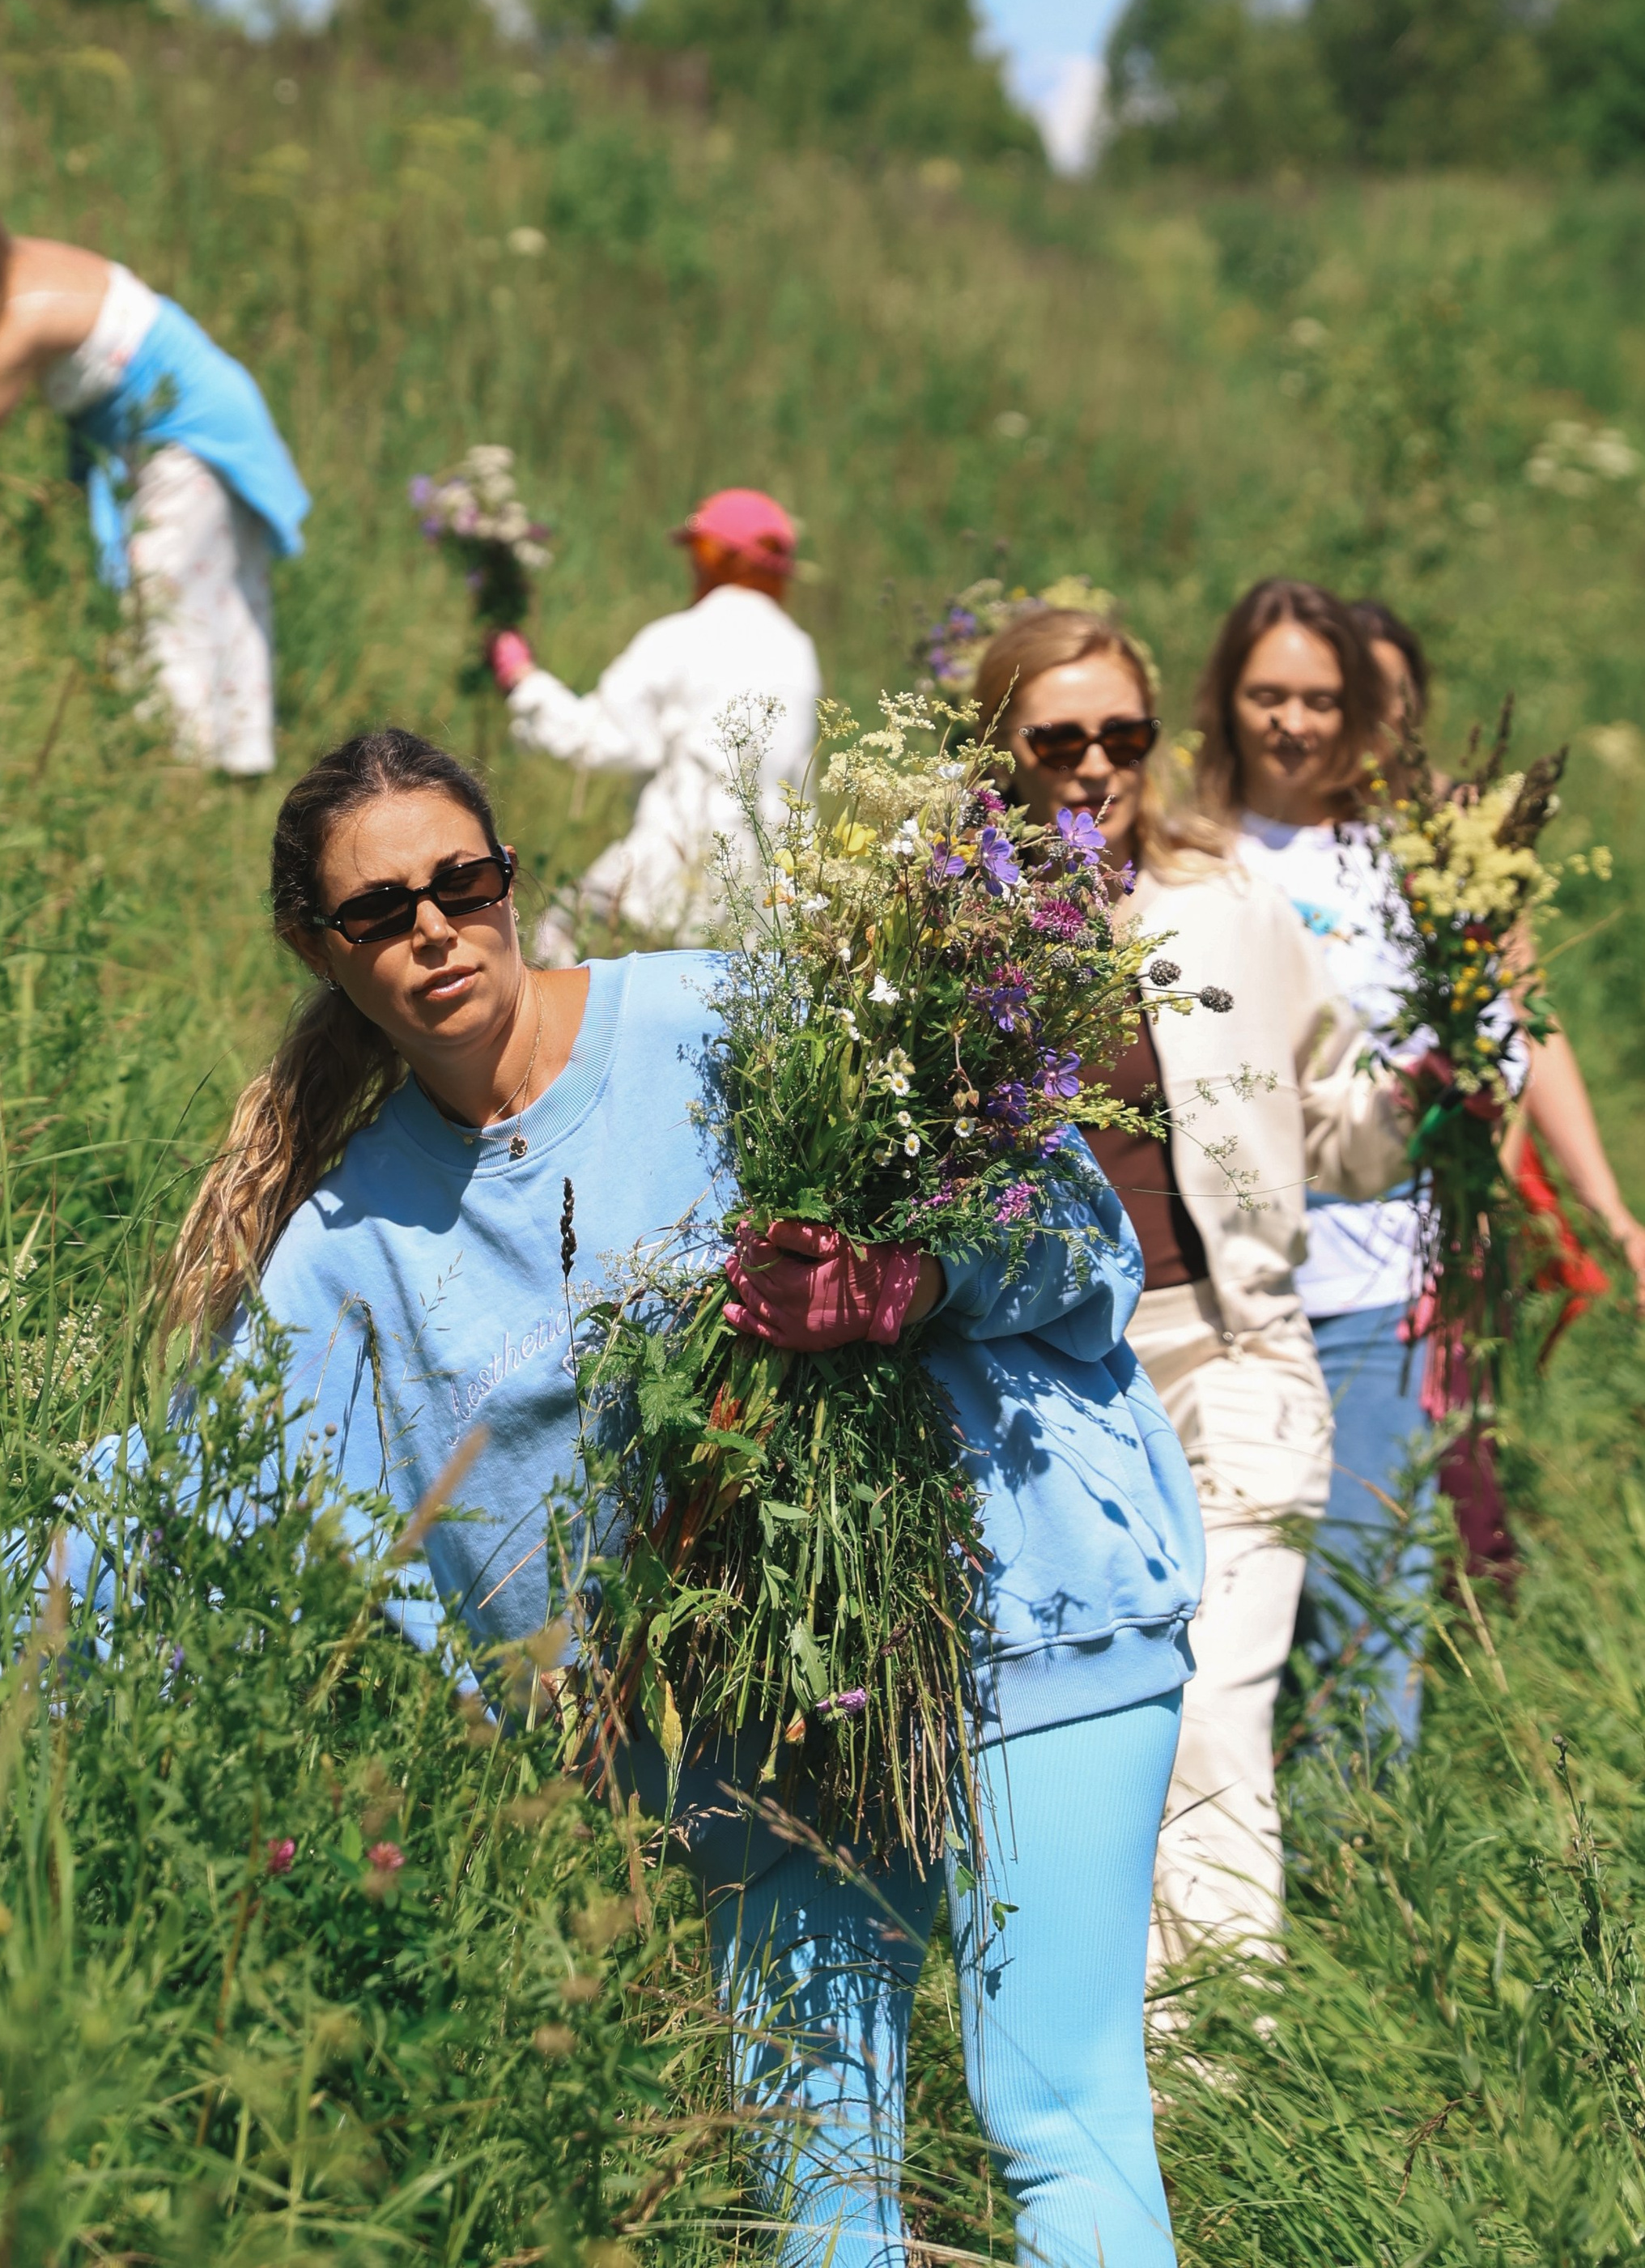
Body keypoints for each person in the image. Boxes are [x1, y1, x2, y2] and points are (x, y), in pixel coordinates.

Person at [157, 725, 1202, 2268]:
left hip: (1026, 1597)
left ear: (513, 880)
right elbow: (252, 1511)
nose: (434, 929)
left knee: (1057, 2113)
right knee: (814, 2190)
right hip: (756, 1704)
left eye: (464, 881)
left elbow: (1077, 1232)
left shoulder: (731, 1013)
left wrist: (908, 1282)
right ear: (316, 948)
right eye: (380, 912)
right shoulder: (348, 1244)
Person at [976, 604, 1409, 1982]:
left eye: (1125, 734)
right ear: (1003, 750)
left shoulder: (1225, 902)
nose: (1096, 764)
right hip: (1046, 1384)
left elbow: (1341, 1131)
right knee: (1098, 1726)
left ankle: (1222, 2062)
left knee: (1215, 1708)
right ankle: (1109, 2049)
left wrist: (1434, 1088)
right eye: (1060, 739)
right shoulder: (951, 932)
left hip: (1235, 1354)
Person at [0, 188, 308, 776]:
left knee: (163, 592)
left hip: (192, 439)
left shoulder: (26, 322)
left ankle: (175, 767)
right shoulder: (12, 267)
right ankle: (231, 759)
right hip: (194, 419)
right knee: (216, 590)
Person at [1192, 577, 1443, 1750]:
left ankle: (1366, 1875)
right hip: (1218, 1292)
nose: (1293, 722)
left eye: (1320, 699)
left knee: (1366, 1598)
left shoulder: (1407, 859)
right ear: (1225, 698)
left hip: (1377, 1281)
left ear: (1360, 709)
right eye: (1267, 694)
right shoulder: (1187, 851)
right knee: (1217, 1609)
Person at [1352, 595, 1643, 1585]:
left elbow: (1527, 1015)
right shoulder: (1258, 843)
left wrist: (1605, 1207)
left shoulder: (1461, 822)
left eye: (1385, 696)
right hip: (1332, 1192)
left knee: (1466, 1437)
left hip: (1460, 1181)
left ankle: (1465, 1640)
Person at [484, 487, 819, 959]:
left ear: (716, 558)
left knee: (549, 946)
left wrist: (522, 681)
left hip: (674, 857)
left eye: (699, 552)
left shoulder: (681, 638)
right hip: (773, 886)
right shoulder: (799, 653)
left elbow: (604, 740)